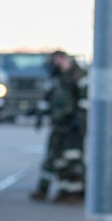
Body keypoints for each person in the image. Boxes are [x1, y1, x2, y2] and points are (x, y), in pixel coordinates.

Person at [29, 50, 86, 202]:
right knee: (55, 159)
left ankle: (75, 193)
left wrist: (79, 121)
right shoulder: (56, 78)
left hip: (73, 128)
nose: (54, 64)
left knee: (72, 159)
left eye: (56, 60)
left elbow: (85, 102)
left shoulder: (78, 76)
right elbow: (48, 99)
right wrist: (39, 115)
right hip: (59, 125)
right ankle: (58, 191)